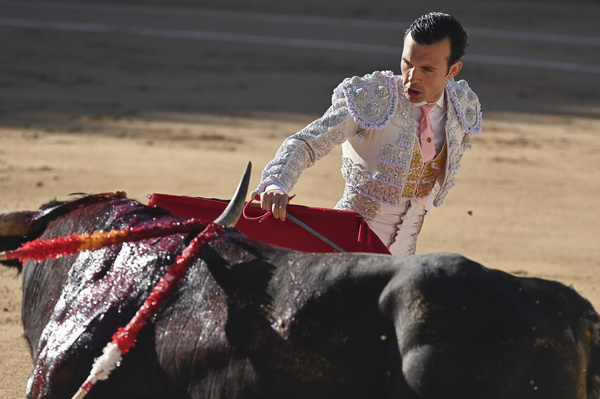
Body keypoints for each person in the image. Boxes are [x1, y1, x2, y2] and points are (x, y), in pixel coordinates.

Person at [254, 12, 482, 256]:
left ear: (453, 69)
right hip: (346, 249)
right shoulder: (373, 98)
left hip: (404, 258)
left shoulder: (461, 107)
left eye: (427, 69)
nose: (412, 77)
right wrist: (277, 182)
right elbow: (306, 143)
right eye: (407, 63)